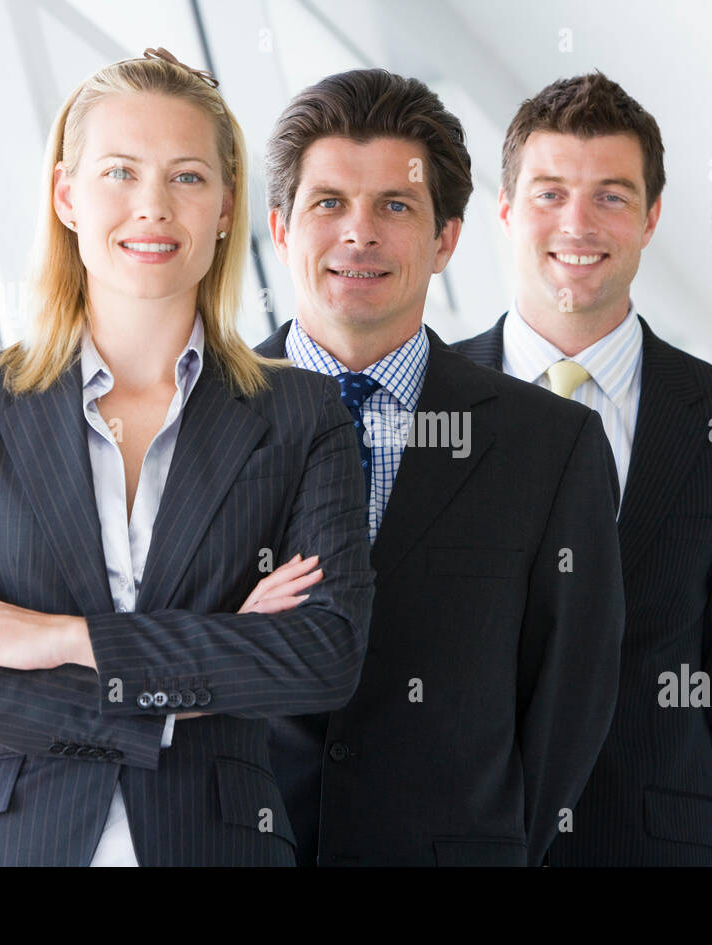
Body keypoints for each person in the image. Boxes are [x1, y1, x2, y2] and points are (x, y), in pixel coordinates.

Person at [0, 48, 373, 866]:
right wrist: (202, 672)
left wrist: (65, 639)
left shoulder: (301, 414)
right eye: (119, 172)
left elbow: (322, 660)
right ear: (67, 196)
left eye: (187, 177)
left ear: (224, 209)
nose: (152, 207)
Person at [258, 69, 625, 866]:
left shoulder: (551, 447)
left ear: (446, 240)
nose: (360, 234)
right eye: (329, 204)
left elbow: (572, 698)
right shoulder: (191, 419)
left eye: (396, 206)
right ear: (281, 228)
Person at [456, 72, 712, 865]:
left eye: (611, 196)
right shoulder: (424, 404)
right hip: (458, 839)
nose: (577, 223)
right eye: (549, 193)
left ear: (649, 219)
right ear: (505, 212)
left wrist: (682, 822)